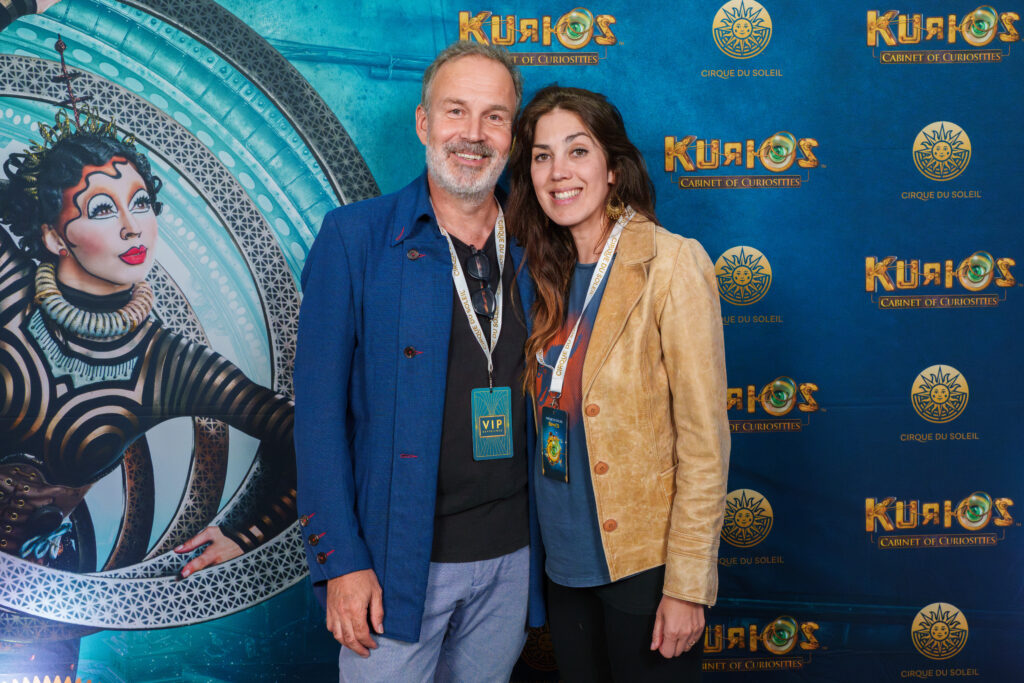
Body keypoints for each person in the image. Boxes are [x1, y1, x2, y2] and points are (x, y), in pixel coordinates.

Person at [0, 104, 297, 672]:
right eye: (102, 209)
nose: (133, 226)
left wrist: (248, 534)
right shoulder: (9, 291)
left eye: (140, 202)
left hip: (42, 606)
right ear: (54, 235)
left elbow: (317, 441)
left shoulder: (171, 365)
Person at [293, 41, 544, 682]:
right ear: (423, 123)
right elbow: (316, 420)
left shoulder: (539, 244)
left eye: (494, 116)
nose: (474, 134)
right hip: (394, 564)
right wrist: (341, 562)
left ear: (512, 135)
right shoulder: (355, 237)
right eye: (456, 111)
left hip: (512, 560)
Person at [506, 85, 730, 682]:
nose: (559, 172)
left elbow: (705, 444)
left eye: (577, 151)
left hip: (643, 566)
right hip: (563, 565)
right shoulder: (538, 274)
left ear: (613, 169)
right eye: (543, 156)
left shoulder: (671, 263)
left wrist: (687, 586)